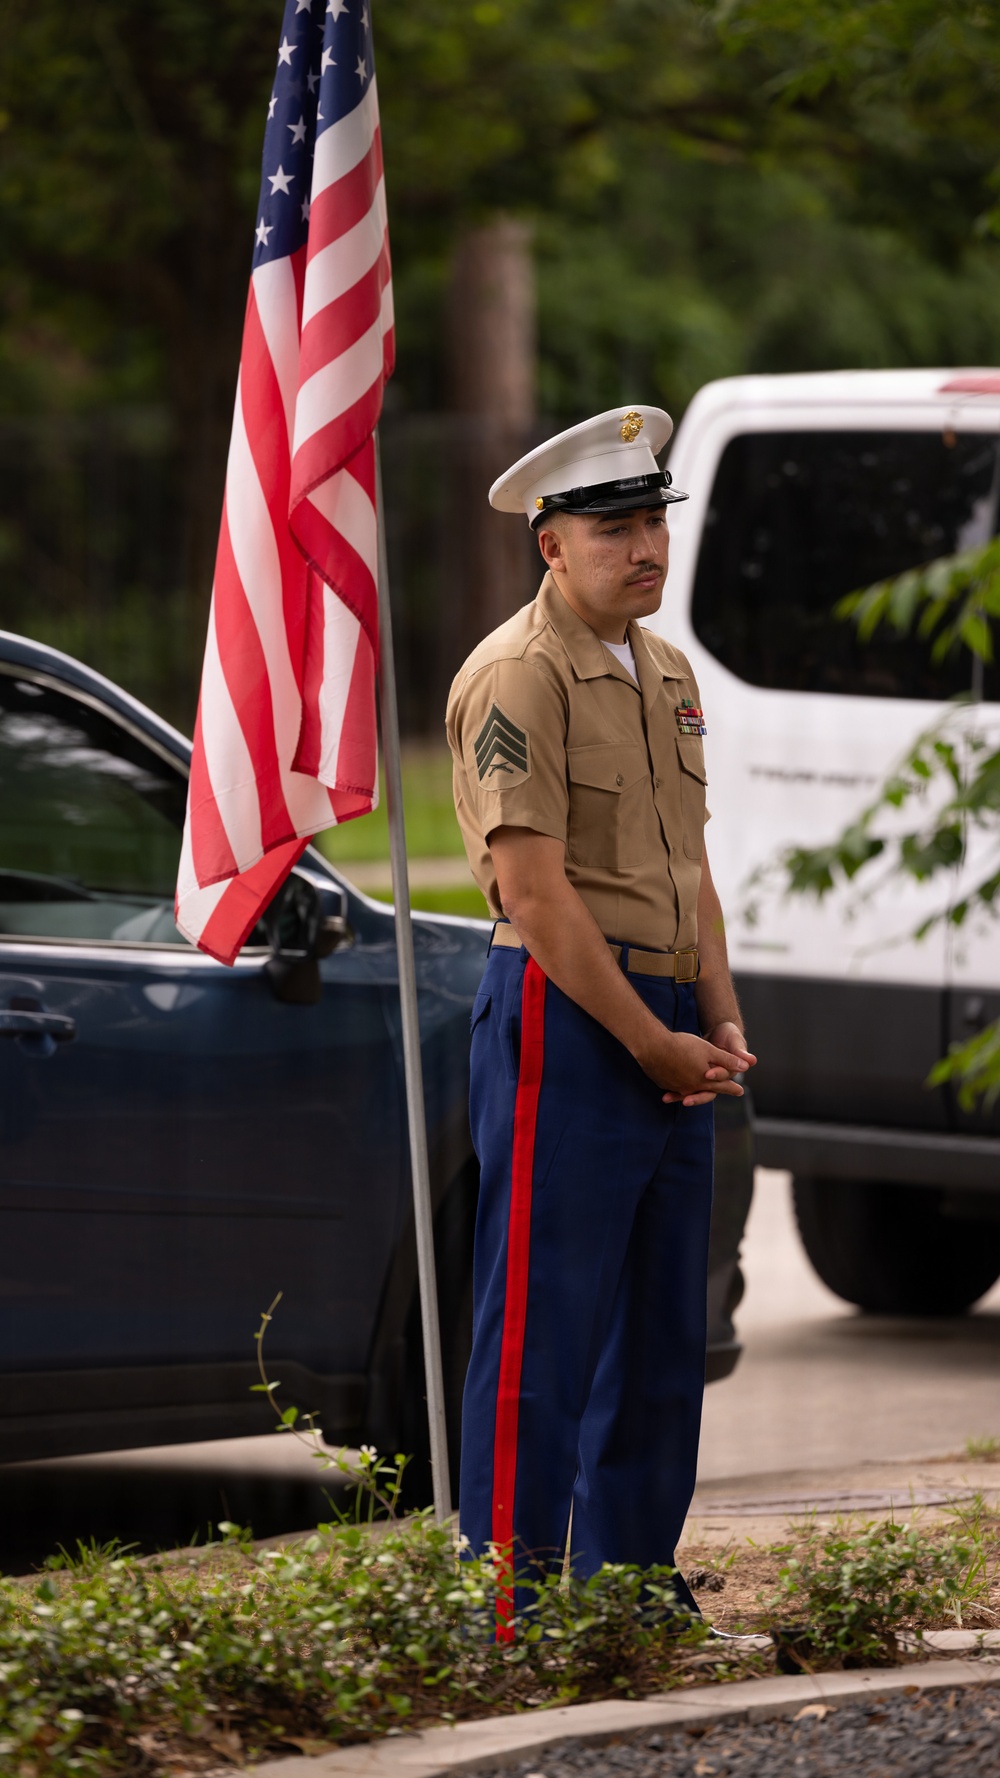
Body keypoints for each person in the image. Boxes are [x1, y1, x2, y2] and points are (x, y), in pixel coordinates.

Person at [445, 405, 755, 1641]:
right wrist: (647, 1036)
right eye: (612, 528)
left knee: (656, 1329)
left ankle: (627, 1594)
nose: (643, 549)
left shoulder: (663, 669)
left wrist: (717, 1009)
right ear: (548, 543)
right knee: (541, 1323)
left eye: (651, 524)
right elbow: (532, 890)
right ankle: (507, 1609)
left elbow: (687, 861)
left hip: (668, 1014)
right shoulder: (517, 673)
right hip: (569, 1019)